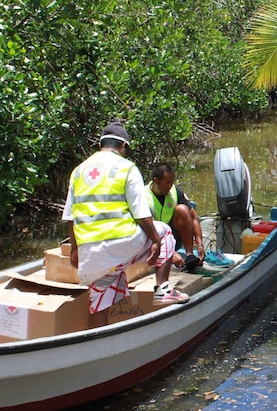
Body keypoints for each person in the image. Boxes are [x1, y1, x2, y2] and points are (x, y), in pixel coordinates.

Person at [63, 122, 189, 328]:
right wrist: (156, 242)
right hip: (122, 243)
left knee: (98, 304)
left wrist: (75, 250)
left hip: (90, 252)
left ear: (100, 144)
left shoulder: (78, 171)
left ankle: (98, 347)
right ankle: (163, 290)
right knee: (165, 232)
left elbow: (70, 217)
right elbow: (141, 213)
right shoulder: (126, 167)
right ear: (122, 145)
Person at [148, 162, 205, 273]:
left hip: (174, 237)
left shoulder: (174, 191)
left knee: (182, 209)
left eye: (172, 182)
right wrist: (170, 253)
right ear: (156, 181)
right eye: (167, 183)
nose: (170, 186)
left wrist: (200, 244)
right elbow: (147, 228)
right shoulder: (143, 196)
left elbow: (193, 218)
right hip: (154, 240)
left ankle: (189, 255)